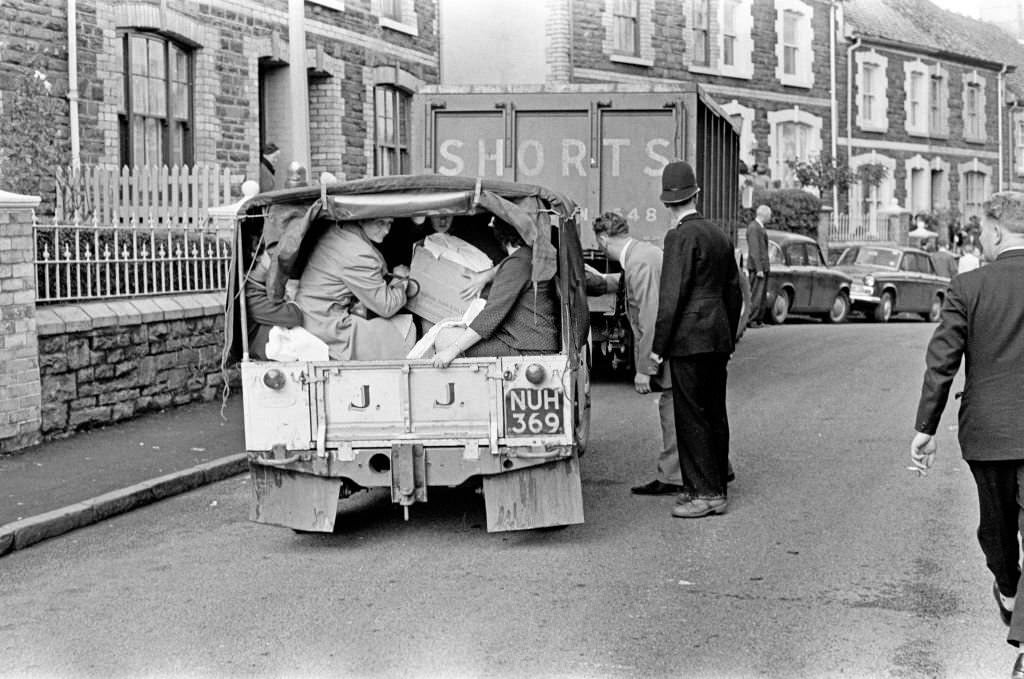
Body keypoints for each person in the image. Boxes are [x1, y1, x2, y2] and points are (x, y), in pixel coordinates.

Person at [908, 191, 1024, 679]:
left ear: (996, 230)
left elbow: (943, 361)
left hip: (989, 434)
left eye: (981, 230)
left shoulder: (968, 285)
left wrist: (924, 429)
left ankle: (1011, 596)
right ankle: (1015, 598)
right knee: (1002, 535)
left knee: (995, 533)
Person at [651, 160, 742, 519]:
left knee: (691, 417)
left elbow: (671, 296)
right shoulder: (719, 235)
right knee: (715, 412)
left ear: (666, 202)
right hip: (717, 337)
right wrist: (728, 337)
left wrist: (658, 348)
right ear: (697, 194)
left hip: (688, 340)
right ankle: (717, 482)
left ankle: (704, 494)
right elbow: (734, 294)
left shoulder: (678, 237)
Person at [591, 211, 682, 495]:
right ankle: (714, 466)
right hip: (677, 347)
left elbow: (650, 315)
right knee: (685, 410)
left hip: (667, 351)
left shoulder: (640, 261)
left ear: (603, 239)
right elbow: (630, 284)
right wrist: (604, 279)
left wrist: (645, 368)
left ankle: (673, 476)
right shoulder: (642, 254)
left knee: (673, 410)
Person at [432, 218, 559, 366]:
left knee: (445, 337)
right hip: (529, 342)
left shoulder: (517, 263)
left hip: (528, 349)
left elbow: (492, 314)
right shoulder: (527, 256)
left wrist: (452, 350)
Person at [296, 217, 415, 361]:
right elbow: (386, 306)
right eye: (380, 223)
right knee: (405, 332)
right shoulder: (359, 253)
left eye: (389, 223)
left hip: (311, 313)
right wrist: (400, 279)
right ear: (362, 219)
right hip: (326, 325)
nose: (386, 230)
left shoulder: (338, 231)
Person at [244, 226, 302, 360]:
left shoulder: (262, 283)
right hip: (267, 357)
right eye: (271, 254)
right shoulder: (250, 295)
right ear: (255, 256)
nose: (278, 258)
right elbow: (294, 316)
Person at [745, 204, 772, 328]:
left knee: (761, 295)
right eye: (769, 215)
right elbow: (754, 250)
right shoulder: (754, 228)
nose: (770, 217)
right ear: (764, 215)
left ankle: (759, 319)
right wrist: (759, 269)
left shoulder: (759, 227)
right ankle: (752, 319)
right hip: (757, 268)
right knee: (756, 294)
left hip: (763, 267)